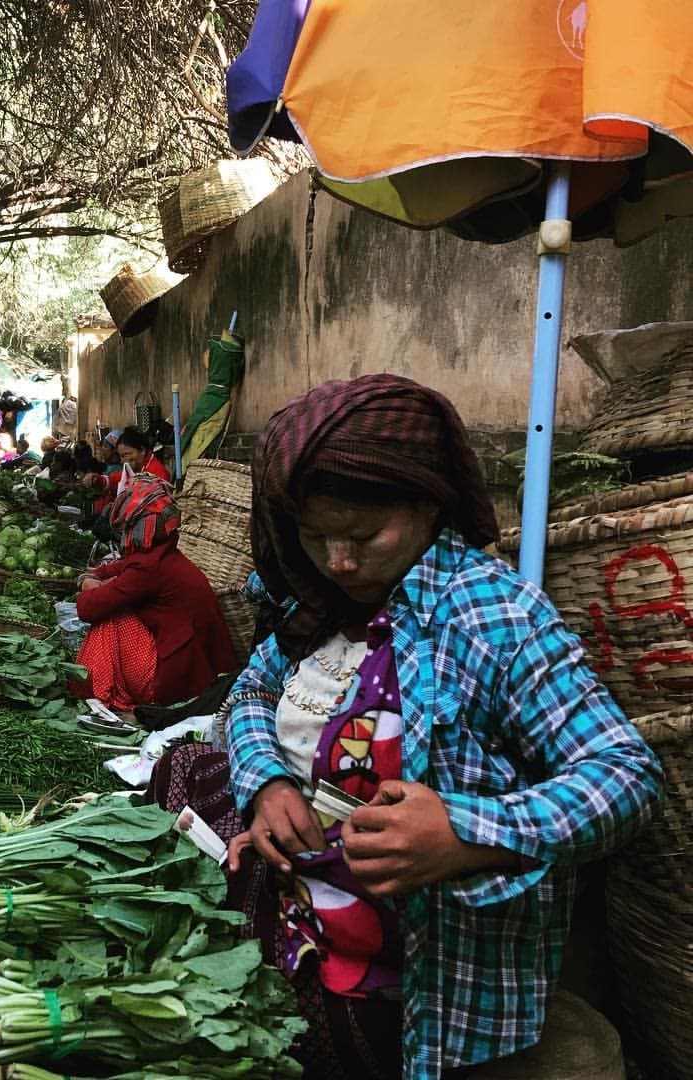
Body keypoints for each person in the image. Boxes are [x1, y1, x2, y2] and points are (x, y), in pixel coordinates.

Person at [218, 375, 662, 1079]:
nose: (338, 560)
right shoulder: (318, 606)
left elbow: (625, 777)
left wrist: (465, 833)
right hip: (306, 937)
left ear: (428, 501)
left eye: (364, 535)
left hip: (436, 988)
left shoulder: (495, 617)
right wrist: (267, 782)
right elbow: (250, 691)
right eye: (314, 535)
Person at [75, 476, 238, 712]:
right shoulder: (163, 553)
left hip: (178, 676)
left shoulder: (148, 568)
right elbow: (123, 565)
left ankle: (100, 690)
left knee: (109, 619)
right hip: (196, 665)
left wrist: (88, 584)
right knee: (113, 607)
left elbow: (87, 609)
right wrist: (98, 574)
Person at [82, 425, 169, 498]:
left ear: (142, 450)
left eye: (125, 455)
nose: (122, 461)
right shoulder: (134, 470)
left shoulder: (158, 474)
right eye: (121, 456)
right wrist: (98, 480)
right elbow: (114, 480)